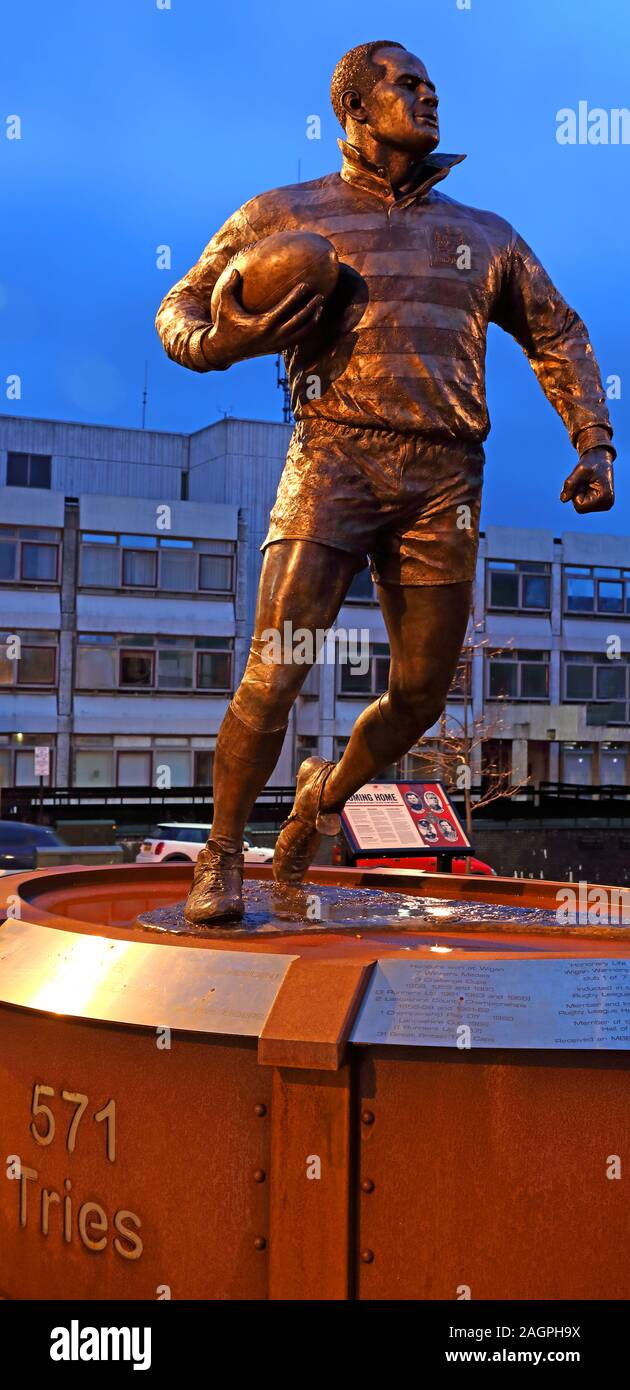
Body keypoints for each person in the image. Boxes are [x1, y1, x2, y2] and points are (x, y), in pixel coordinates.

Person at [156, 40, 615, 923]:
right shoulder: (285, 215)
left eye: (432, 85)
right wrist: (216, 342)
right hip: (333, 454)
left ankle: (321, 801)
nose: (427, 95)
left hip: (446, 474)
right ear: (356, 112)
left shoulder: (486, 235)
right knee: (274, 668)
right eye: (406, 85)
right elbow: (179, 308)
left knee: (420, 696)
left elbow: (559, 332)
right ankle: (220, 858)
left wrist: (593, 442)